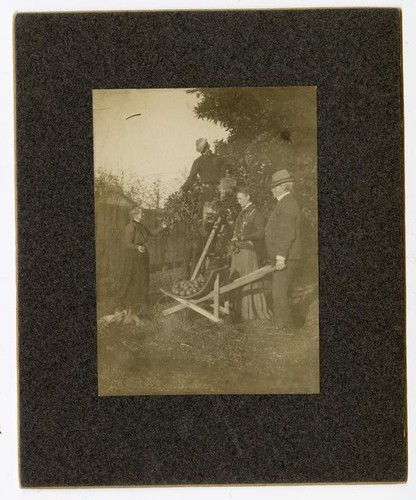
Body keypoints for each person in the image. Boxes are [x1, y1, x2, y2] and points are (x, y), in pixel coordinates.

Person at [265, 169, 302, 329]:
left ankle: (286, 328)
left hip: (287, 257)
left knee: (280, 293)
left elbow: (287, 233)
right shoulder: (284, 202)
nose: (272, 189)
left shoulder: (287, 204)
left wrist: (281, 257)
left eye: (275, 186)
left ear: (284, 187)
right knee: (279, 292)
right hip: (284, 255)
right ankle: (282, 325)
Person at [229, 187, 271, 321]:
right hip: (238, 251)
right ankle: (239, 309)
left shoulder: (256, 213)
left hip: (248, 253)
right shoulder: (243, 212)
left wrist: (243, 237)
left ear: (248, 197)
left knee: (248, 279)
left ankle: (251, 311)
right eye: (237, 198)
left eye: (240, 198)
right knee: (238, 278)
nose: (238, 201)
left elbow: (260, 233)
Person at [119, 206, 167, 317]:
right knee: (136, 279)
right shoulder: (130, 227)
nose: (143, 215)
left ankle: (143, 302)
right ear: (136, 215)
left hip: (143, 255)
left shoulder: (141, 226)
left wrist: (163, 227)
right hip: (134, 257)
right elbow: (127, 244)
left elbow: (153, 233)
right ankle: (132, 302)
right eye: (142, 213)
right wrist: (137, 248)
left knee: (144, 278)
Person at [180, 138, 225, 202]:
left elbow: (224, 174)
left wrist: (223, 187)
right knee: (207, 210)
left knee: (221, 209)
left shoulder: (218, 159)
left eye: (205, 148)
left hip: (219, 190)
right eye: (202, 150)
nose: (205, 151)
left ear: (208, 146)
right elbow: (192, 178)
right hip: (206, 192)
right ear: (200, 151)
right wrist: (183, 189)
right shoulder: (197, 162)